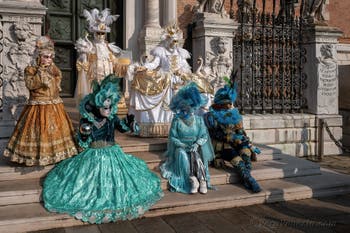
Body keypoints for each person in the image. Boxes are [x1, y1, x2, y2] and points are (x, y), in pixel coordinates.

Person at [43, 75, 163, 223]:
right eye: (105, 107)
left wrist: (130, 123)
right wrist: (84, 134)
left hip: (113, 153)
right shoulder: (88, 120)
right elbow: (83, 142)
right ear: (97, 106)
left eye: (111, 106)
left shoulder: (112, 118)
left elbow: (123, 128)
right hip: (93, 155)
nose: (109, 110)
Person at [3, 36, 78, 166]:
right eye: (46, 57)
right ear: (38, 57)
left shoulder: (53, 69)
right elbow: (31, 85)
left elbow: (57, 79)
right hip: (38, 106)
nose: (49, 59)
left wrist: (50, 71)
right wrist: (41, 71)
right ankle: (38, 156)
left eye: (51, 57)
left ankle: (57, 155)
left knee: (55, 131)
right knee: (39, 131)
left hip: (54, 105)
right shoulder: (30, 70)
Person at [128, 23, 192, 137]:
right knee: (163, 104)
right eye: (172, 41)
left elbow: (185, 68)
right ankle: (159, 128)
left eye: (176, 41)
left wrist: (183, 73)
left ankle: (178, 127)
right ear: (167, 40)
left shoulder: (181, 54)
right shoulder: (161, 52)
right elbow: (154, 64)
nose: (174, 44)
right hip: (165, 80)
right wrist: (144, 67)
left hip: (178, 82)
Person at [204, 74, 261, 193]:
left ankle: (246, 177)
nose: (230, 106)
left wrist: (248, 143)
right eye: (227, 104)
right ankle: (250, 180)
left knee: (245, 152)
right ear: (220, 104)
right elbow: (215, 134)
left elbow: (241, 131)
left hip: (236, 142)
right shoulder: (211, 116)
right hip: (222, 145)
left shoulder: (235, 115)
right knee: (236, 158)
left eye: (230, 103)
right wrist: (232, 137)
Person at [160, 83, 215, 194]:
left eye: (191, 107)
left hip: (195, 147)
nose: (188, 109)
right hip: (181, 147)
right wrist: (182, 145)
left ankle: (202, 180)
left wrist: (197, 144)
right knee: (182, 155)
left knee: (198, 156)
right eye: (185, 107)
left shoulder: (199, 120)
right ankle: (192, 180)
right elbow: (173, 137)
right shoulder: (177, 120)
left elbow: (204, 135)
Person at [75, 8, 130, 100]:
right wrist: (83, 55)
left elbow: (114, 62)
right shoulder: (90, 46)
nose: (100, 36)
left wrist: (125, 65)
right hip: (94, 77)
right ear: (94, 33)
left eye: (102, 33)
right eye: (98, 33)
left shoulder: (108, 47)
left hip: (107, 77)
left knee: (106, 99)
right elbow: (83, 62)